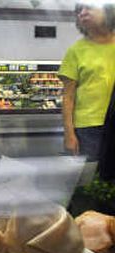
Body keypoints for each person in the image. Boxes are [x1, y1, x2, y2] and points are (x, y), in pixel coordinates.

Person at [58, 1, 115, 162]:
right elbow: (68, 97)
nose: (82, 12)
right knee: (91, 179)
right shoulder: (75, 51)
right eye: (79, 10)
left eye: (88, 7)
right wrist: (69, 134)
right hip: (88, 128)